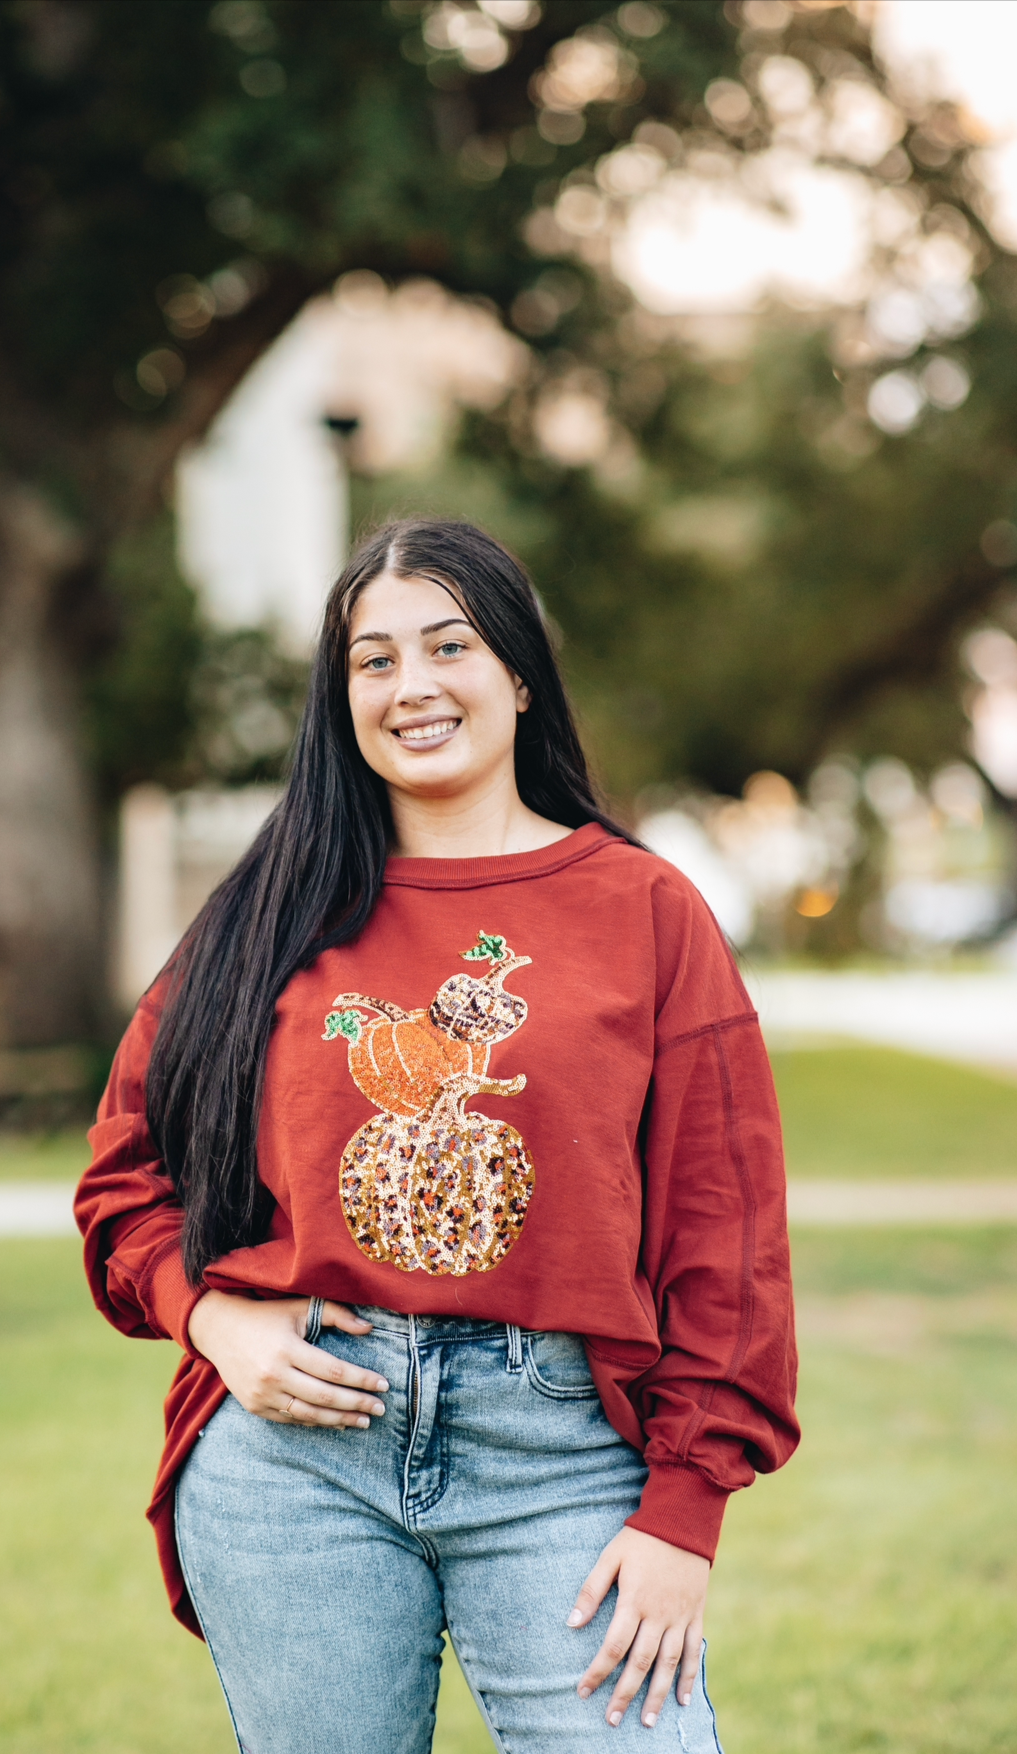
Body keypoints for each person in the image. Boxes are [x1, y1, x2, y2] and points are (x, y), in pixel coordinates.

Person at [77, 519, 798, 1754]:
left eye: (448, 646)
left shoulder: (644, 912)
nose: (411, 686)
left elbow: (723, 1234)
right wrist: (211, 1319)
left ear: (517, 675)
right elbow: (124, 1175)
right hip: (296, 1454)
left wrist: (684, 1510)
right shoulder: (267, 914)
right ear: (341, 696)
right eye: (373, 660)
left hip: (559, 1454)